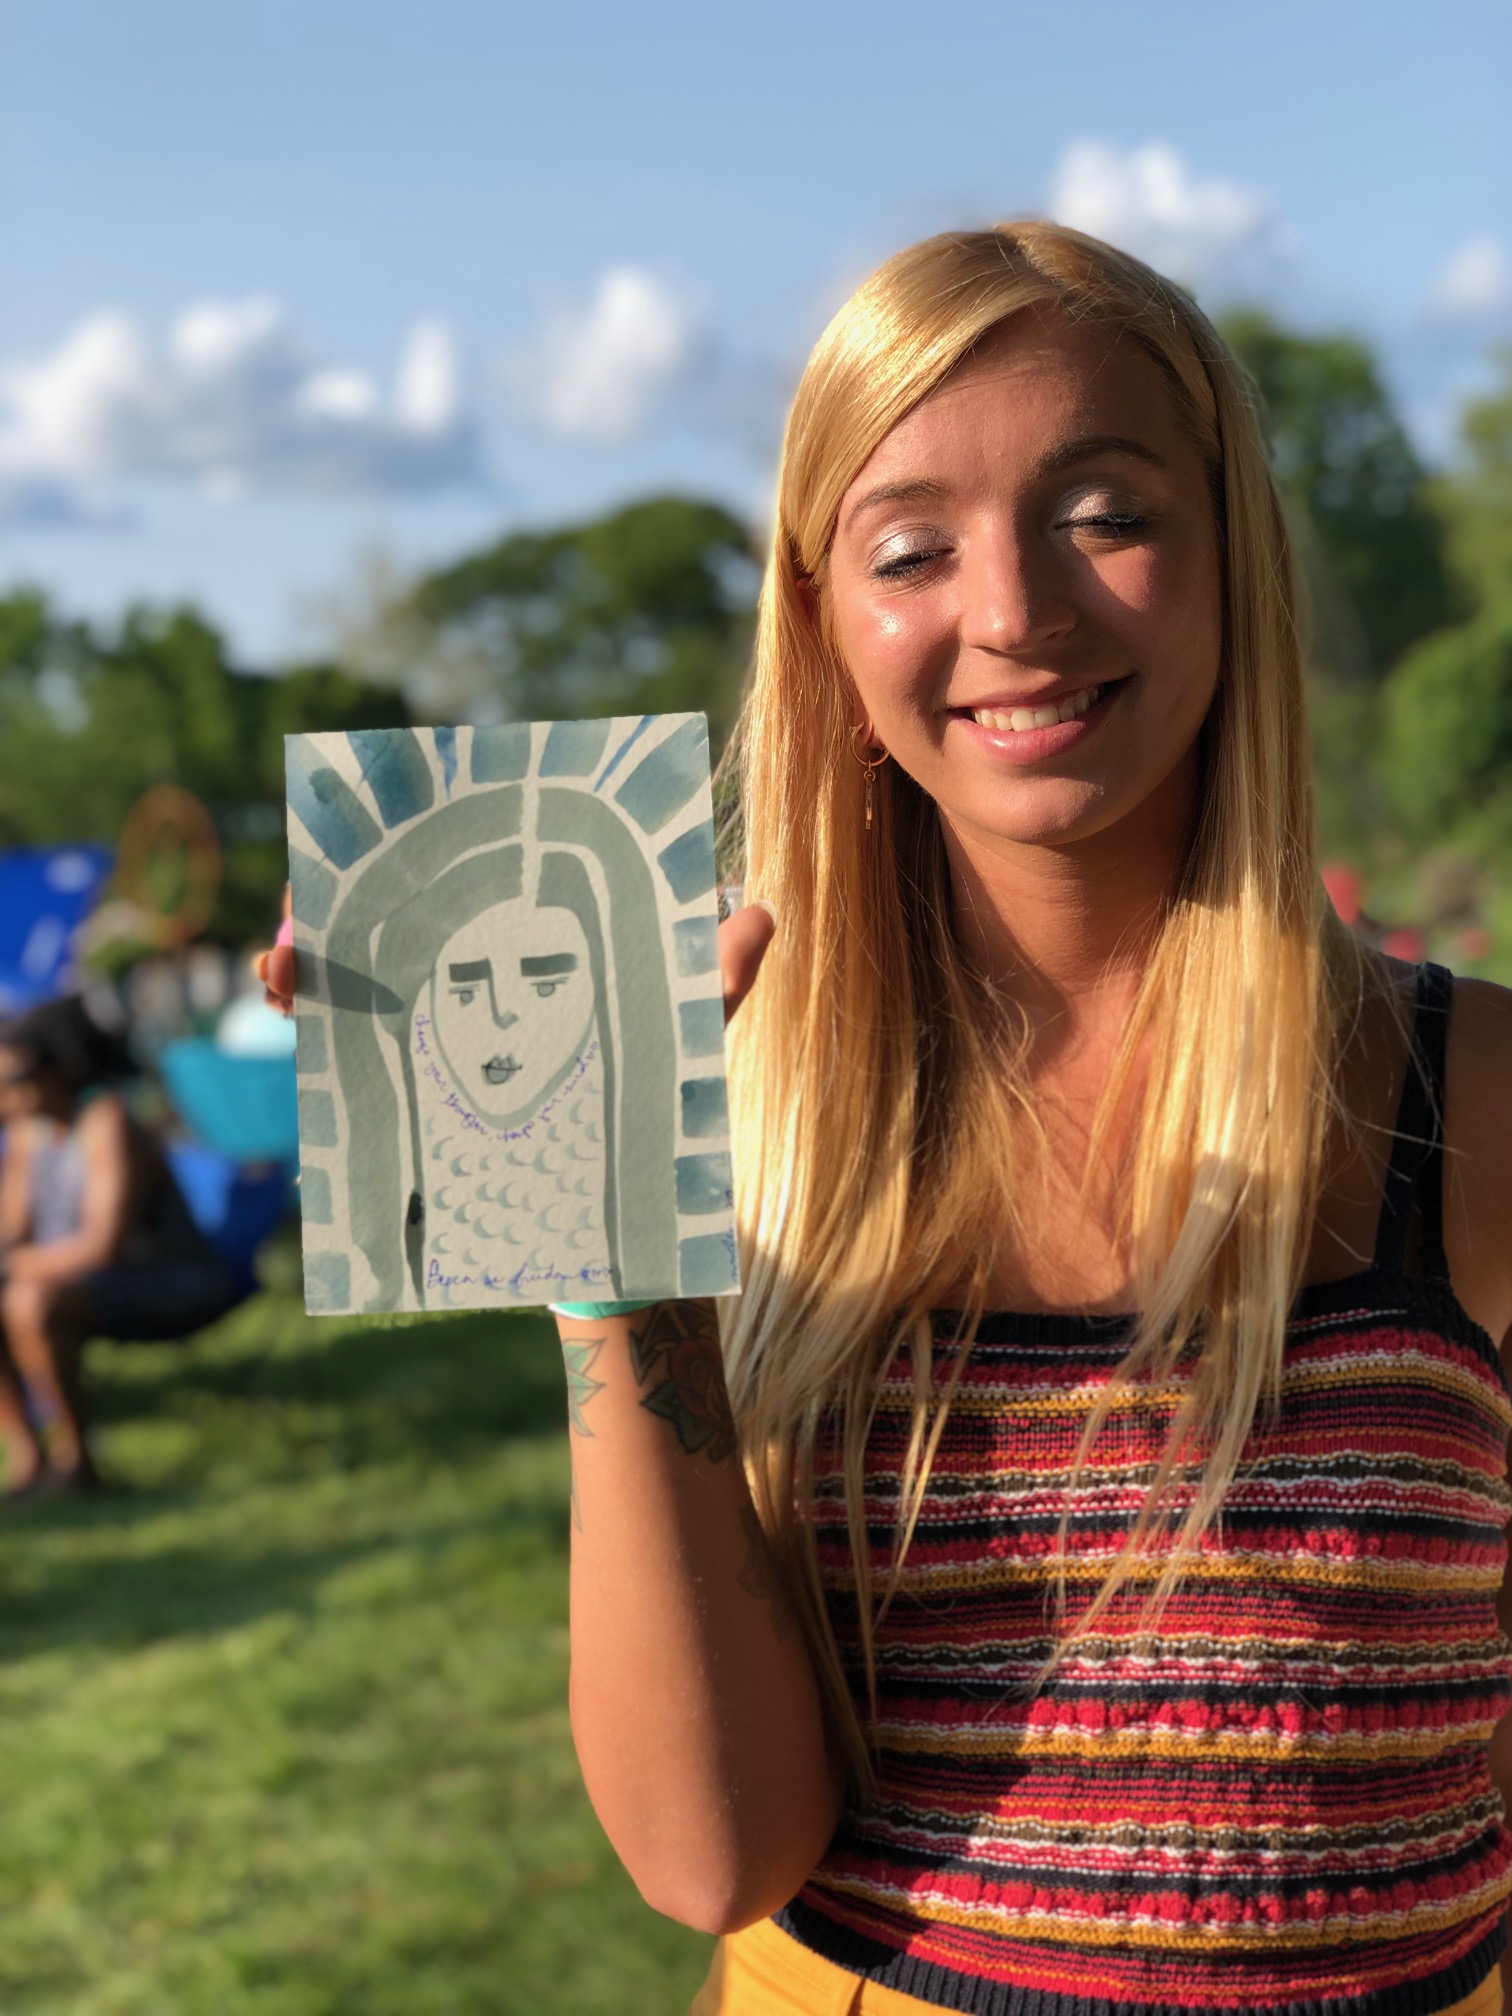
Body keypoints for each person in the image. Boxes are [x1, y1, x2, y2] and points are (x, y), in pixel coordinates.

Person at [262, 220, 1512, 2014]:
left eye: (1104, 513)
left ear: (1232, 552)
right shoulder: (735, 1094)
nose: (1012, 611)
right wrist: (602, 1243)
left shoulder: (1474, 1093)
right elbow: (714, 1857)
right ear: (826, 625)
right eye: (912, 548)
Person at [0, 996, 241, 1492]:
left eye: (15, 1079)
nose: (6, 1096)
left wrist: (15, 1266)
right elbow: (12, 1227)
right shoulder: (30, 1132)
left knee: (31, 1301)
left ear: (59, 1066)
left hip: (164, 1279)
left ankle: (75, 1466)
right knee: (25, 1294)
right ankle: (29, 1461)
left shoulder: (105, 1120)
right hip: (76, 1281)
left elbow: (101, 1246)